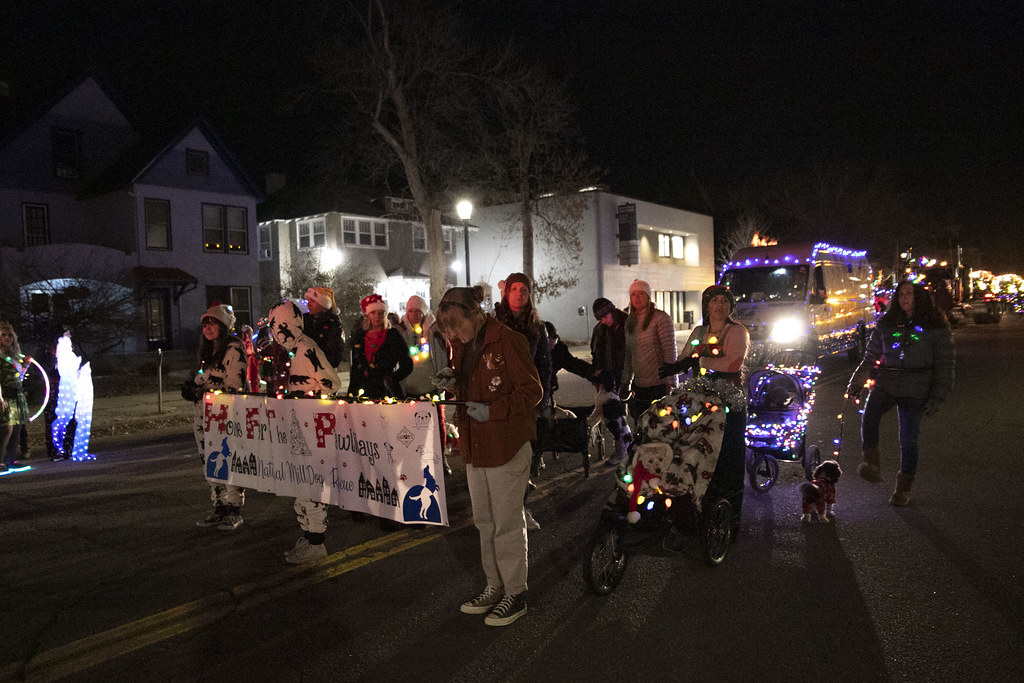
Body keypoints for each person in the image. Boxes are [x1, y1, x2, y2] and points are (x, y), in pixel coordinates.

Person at [432, 285, 542, 627]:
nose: (452, 335)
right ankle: (494, 585)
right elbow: (470, 385)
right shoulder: (463, 345)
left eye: (456, 326)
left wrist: (493, 411)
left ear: (475, 315)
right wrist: (453, 383)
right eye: (446, 330)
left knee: (507, 523)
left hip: (505, 443)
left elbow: (532, 391)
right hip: (476, 447)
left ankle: (515, 592)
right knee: (484, 522)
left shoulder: (507, 340)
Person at [847, 280, 955, 506]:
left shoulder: (935, 325)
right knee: (870, 415)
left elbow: (945, 364)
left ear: (920, 297)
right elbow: (870, 358)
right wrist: (856, 382)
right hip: (886, 382)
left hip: (917, 386)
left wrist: (937, 396)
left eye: (910, 293)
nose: (905, 297)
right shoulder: (887, 323)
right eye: (901, 293)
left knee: (908, 439)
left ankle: (903, 489)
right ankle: (872, 464)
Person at [660, 284, 750, 538]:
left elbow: (733, 364)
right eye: (714, 301)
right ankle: (693, 511)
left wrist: (698, 361)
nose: (719, 305)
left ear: (730, 306)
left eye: (725, 301)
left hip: (728, 403)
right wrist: (672, 368)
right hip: (700, 402)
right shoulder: (700, 331)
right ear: (707, 305)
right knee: (693, 453)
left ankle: (730, 521)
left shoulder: (736, 332)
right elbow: (686, 356)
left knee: (726, 461)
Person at [266, 299, 342, 563]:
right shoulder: (285, 352)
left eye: (282, 324)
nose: (278, 331)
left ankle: (317, 541)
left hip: (310, 426)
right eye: (275, 326)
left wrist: (303, 394)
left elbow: (331, 383)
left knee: (310, 482)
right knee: (299, 482)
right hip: (294, 425)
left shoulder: (306, 348)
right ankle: (308, 536)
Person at [182, 304, 249, 531]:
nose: (208, 328)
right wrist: (191, 387)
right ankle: (219, 507)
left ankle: (233, 510)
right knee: (209, 460)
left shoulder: (233, 349)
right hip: (202, 416)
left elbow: (236, 385)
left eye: (212, 323)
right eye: (204, 324)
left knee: (228, 459)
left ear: (222, 326)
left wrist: (208, 392)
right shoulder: (207, 352)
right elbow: (200, 378)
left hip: (225, 416)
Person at [493, 273, 552, 531]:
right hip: (500, 399)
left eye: (524, 290)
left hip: (528, 402)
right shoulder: (494, 324)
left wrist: (543, 397)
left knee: (524, 458)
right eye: (514, 289)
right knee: (501, 458)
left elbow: (545, 366)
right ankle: (500, 509)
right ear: (506, 293)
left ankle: (522, 507)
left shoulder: (537, 327)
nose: (519, 294)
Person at [620, 279, 676, 419]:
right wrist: (625, 383)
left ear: (648, 296)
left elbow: (669, 352)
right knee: (641, 426)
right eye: (634, 294)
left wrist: (671, 382)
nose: (637, 298)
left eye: (641, 294)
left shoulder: (660, 318)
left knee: (659, 425)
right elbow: (629, 354)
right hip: (639, 386)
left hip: (659, 385)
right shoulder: (629, 322)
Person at [348, 294, 413, 400]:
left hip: (388, 393)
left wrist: (392, 379)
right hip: (364, 393)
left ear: (385, 315)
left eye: (380, 313)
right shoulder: (360, 337)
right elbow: (356, 369)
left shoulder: (393, 335)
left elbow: (407, 364)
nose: (377, 316)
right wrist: (351, 394)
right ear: (367, 315)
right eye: (373, 313)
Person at [590, 297, 630, 464]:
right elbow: (595, 353)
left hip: (623, 378)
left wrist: (625, 380)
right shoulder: (599, 330)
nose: (603, 321)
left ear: (611, 311)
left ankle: (624, 450)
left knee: (617, 416)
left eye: (605, 316)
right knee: (612, 416)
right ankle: (624, 449)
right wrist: (597, 375)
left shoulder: (626, 325)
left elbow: (629, 353)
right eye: (600, 318)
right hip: (606, 380)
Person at [0, 322, 31, 473]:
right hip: (6, 395)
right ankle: (0, 462)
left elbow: (18, 377)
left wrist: (25, 367)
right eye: (3, 335)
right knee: (7, 429)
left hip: (18, 395)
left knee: (17, 428)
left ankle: (11, 460)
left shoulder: (14, 355)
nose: (7, 338)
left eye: (9, 335)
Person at [303, 287, 345, 369]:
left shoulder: (333, 325)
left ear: (323, 305)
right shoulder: (303, 321)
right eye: (308, 301)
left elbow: (334, 358)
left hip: (322, 373)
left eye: (313, 301)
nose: (308, 304)